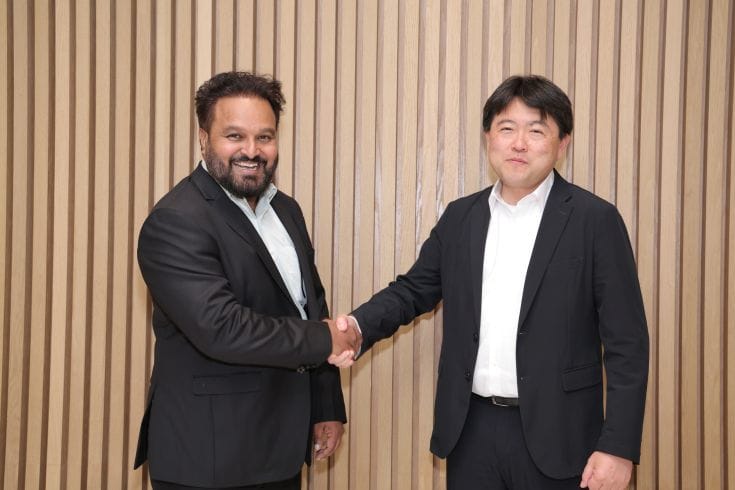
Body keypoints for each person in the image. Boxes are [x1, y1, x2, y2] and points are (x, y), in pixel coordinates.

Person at [330, 75, 649, 490]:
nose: (519, 144)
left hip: (561, 434)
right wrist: (357, 327)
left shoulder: (595, 220)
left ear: (563, 143)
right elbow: (413, 291)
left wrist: (618, 447)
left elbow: (627, 343)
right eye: (507, 128)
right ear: (488, 137)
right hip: (471, 431)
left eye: (536, 131)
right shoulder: (461, 217)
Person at [134, 71, 358, 489]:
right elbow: (222, 328)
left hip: (280, 448)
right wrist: (326, 339)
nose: (252, 151)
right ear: (203, 138)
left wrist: (325, 404)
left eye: (264, 137)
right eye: (234, 136)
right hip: (209, 458)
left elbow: (310, 305)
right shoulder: (175, 221)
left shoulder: (286, 210)